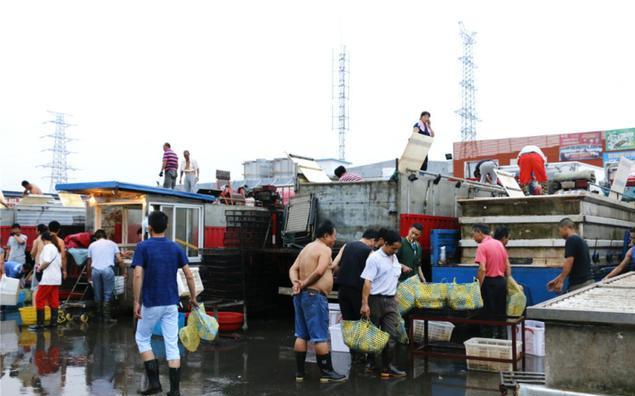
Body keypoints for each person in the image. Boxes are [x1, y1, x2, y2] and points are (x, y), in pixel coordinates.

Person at [133, 211, 199, 396]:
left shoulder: (143, 247)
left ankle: (154, 384)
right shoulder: (175, 247)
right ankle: (175, 391)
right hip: (171, 303)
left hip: (152, 302)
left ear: (149, 227)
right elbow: (189, 274)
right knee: (172, 344)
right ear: (166, 227)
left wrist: (136, 301)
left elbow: (138, 274)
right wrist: (193, 298)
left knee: (142, 338)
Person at [288, 220, 346, 383]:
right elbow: (320, 271)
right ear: (326, 235)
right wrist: (304, 283)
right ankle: (327, 372)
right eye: (334, 236)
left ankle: (300, 373)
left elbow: (293, 269)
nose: (334, 240)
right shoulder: (324, 249)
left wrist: (296, 284)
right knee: (320, 337)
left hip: (300, 296)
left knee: (301, 335)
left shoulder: (307, 248)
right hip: (314, 296)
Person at [360, 230, 408, 378]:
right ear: (385, 244)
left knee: (391, 335)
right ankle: (371, 363)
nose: (395, 251)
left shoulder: (393, 258)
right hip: (375, 300)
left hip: (391, 301)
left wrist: (396, 295)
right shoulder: (374, 258)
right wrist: (365, 304)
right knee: (373, 334)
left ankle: (389, 367)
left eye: (397, 249)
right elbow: (367, 281)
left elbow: (393, 278)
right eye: (393, 248)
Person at [331, 229, 378, 364]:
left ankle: (354, 356)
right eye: (375, 243)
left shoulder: (347, 245)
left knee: (350, 324)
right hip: (357, 292)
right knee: (363, 324)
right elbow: (371, 275)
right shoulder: (369, 252)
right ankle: (365, 355)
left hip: (342, 291)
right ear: (373, 240)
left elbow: (334, 264)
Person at [473, 224, 511, 339]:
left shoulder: (482, 246)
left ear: (479, 232)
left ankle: (487, 341)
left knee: (486, 314)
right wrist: (507, 281)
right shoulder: (499, 244)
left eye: (473, 234)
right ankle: (502, 339)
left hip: (489, 283)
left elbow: (482, 269)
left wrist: (478, 286)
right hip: (501, 282)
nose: (473, 237)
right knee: (500, 314)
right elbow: (507, 266)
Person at [87, 229, 125, 322]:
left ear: (96, 237)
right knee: (107, 294)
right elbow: (119, 260)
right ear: (106, 236)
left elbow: (89, 262)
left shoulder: (92, 245)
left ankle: (99, 317)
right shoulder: (112, 244)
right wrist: (124, 272)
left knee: (97, 294)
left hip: (95, 271)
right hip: (108, 270)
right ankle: (107, 318)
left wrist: (89, 276)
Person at [547, 218, 593, 293]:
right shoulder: (580, 240)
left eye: (560, 230)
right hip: (588, 282)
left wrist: (561, 282)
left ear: (565, 227)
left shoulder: (571, 239)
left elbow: (569, 262)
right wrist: (557, 280)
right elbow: (574, 266)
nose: (560, 233)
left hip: (579, 285)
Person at [29, 231, 63, 331]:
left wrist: (40, 268)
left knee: (39, 299)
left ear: (43, 239)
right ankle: (53, 323)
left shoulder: (47, 248)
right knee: (53, 300)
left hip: (48, 278)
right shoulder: (56, 248)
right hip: (56, 278)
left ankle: (40, 324)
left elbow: (47, 261)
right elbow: (59, 264)